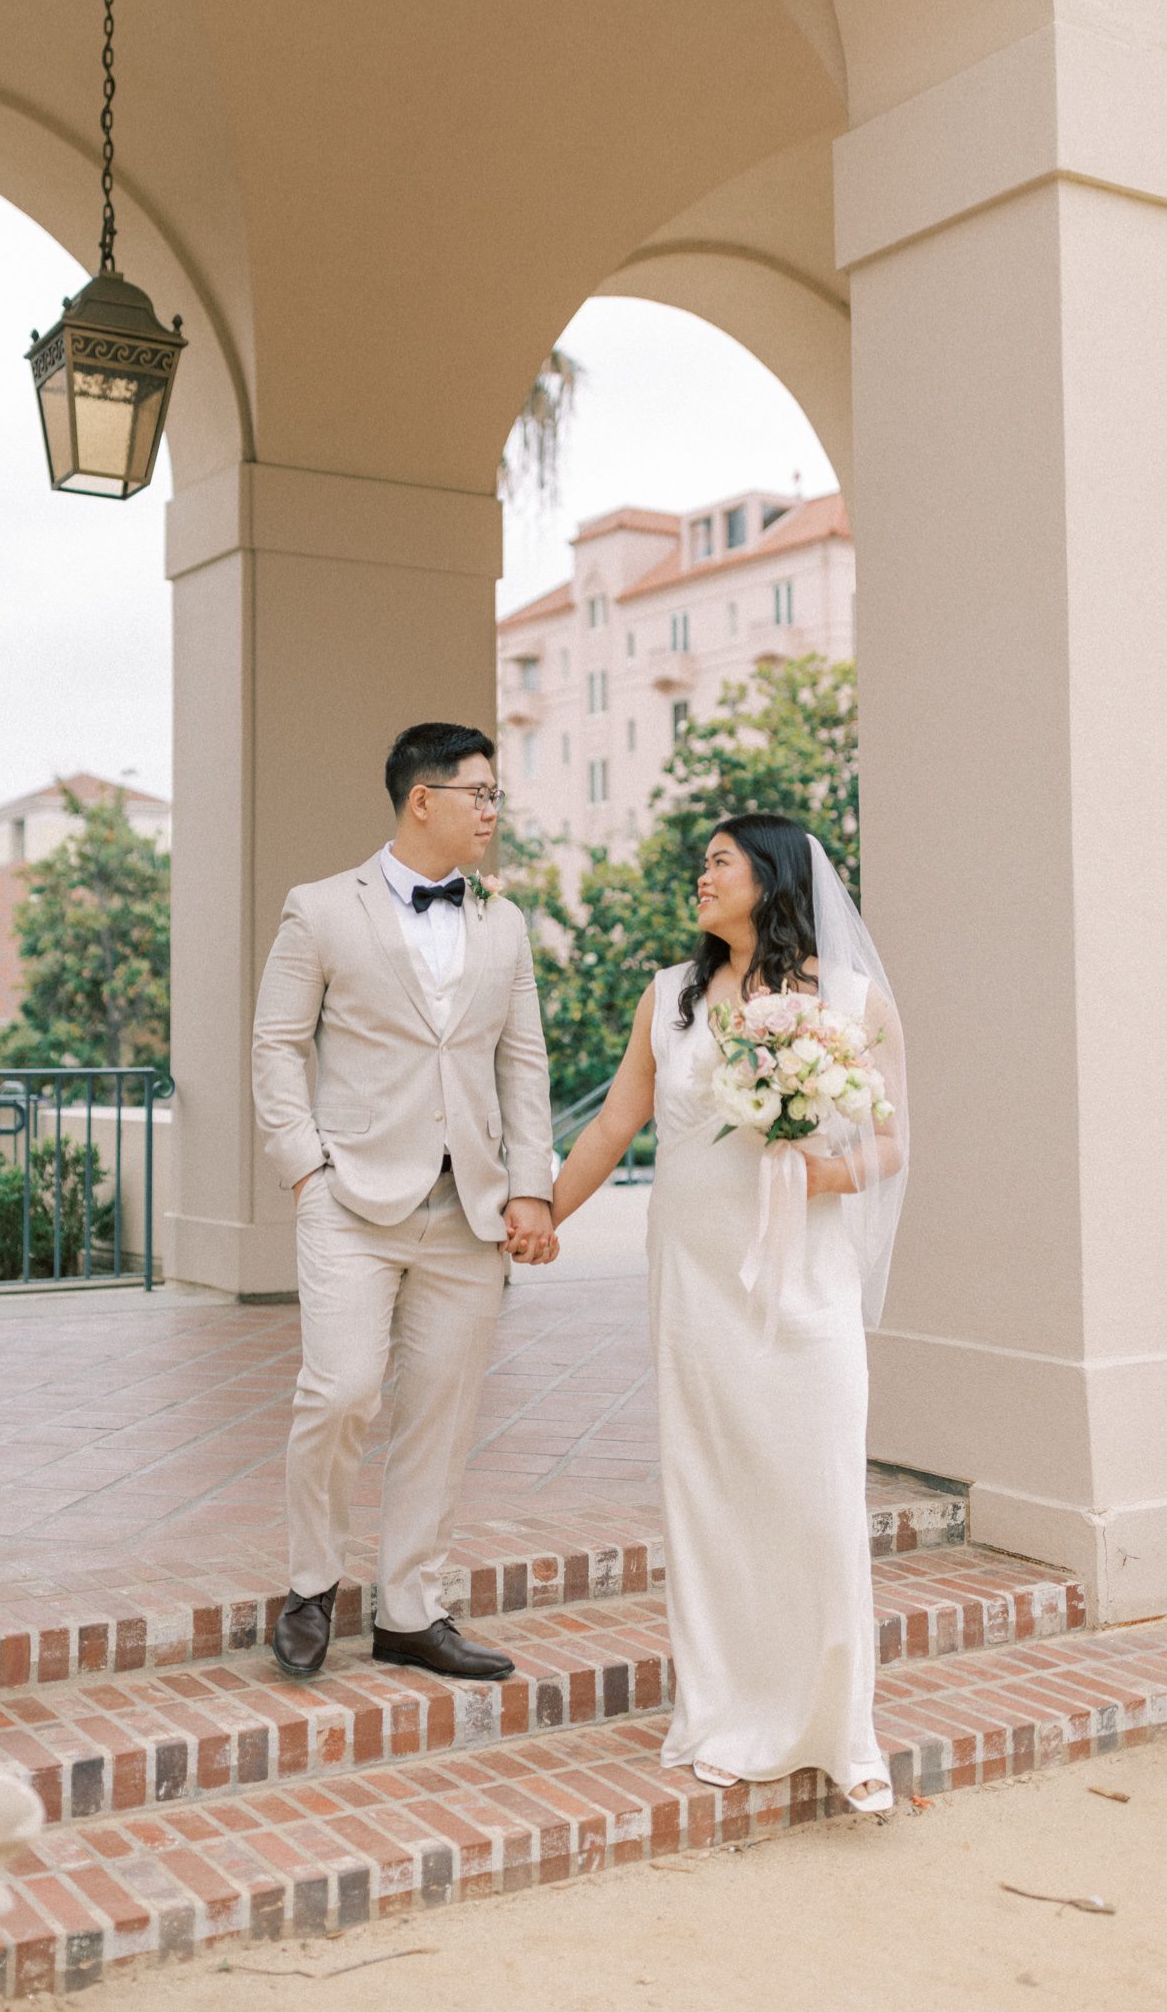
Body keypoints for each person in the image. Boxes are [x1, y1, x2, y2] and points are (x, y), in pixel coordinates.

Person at [551, 814, 908, 1813]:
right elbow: (615, 1123)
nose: (700, 875)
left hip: (809, 1286)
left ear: (773, 873)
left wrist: (825, 1166)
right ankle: (727, 1711)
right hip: (698, 1282)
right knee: (712, 1497)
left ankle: (846, 1729)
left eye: (719, 859)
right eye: (701, 862)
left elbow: (890, 1140)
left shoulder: (849, 999)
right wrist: (538, 1214)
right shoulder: (667, 997)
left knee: (820, 1490)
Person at [252, 722, 556, 1683]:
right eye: (480, 793)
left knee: (442, 1410)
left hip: (468, 1207)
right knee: (339, 1391)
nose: (493, 811)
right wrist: (305, 1166)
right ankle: (311, 1585)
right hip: (351, 1200)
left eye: (496, 795)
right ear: (422, 799)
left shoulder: (503, 923)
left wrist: (532, 1188)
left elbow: (524, 1062)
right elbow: (275, 1043)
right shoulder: (318, 909)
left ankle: (412, 1610)